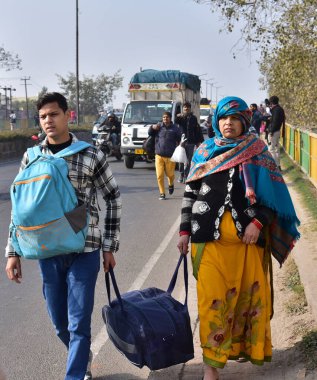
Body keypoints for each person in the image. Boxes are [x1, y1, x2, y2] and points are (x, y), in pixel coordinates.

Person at [177, 96, 300, 380]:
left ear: (245, 121)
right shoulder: (205, 151)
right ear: (217, 122)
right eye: (223, 118)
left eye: (234, 118)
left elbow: (273, 200)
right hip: (207, 242)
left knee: (245, 303)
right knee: (211, 303)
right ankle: (211, 369)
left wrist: (257, 223)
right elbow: (189, 195)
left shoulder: (258, 153)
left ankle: (243, 351)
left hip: (248, 247)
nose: (228, 123)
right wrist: (184, 231)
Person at [5, 92, 122, 380]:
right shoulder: (31, 158)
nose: (48, 121)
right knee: (60, 324)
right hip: (47, 249)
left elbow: (113, 197)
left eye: (54, 114)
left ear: (67, 115)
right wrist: (12, 251)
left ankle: (75, 373)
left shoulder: (91, 154)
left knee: (78, 323)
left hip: (85, 247)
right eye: (43, 116)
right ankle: (82, 358)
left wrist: (109, 246)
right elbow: (20, 209)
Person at [148, 111, 182, 200]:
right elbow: (150, 133)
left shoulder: (175, 128)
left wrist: (181, 146)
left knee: (170, 175)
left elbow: (180, 139)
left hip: (170, 156)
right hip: (159, 155)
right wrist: (152, 127)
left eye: (167, 117)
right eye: (163, 117)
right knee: (159, 175)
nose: (165, 119)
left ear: (170, 118)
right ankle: (162, 193)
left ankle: (171, 184)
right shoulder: (159, 126)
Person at [175, 101, 204, 183]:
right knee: (181, 159)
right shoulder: (180, 118)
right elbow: (176, 121)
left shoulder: (193, 118)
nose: (186, 108)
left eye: (187, 107)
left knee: (188, 160)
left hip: (191, 142)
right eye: (185, 107)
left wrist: (199, 141)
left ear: (190, 108)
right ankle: (181, 174)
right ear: (183, 109)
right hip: (182, 142)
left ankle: (186, 175)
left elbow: (197, 130)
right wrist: (178, 116)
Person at [268, 95, 285, 171]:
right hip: (278, 130)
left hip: (274, 131)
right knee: (276, 149)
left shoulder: (276, 110)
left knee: (272, 149)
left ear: (271, 102)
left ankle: (275, 167)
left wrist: (271, 131)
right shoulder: (279, 109)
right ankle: (278, 166)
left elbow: (275, 122)